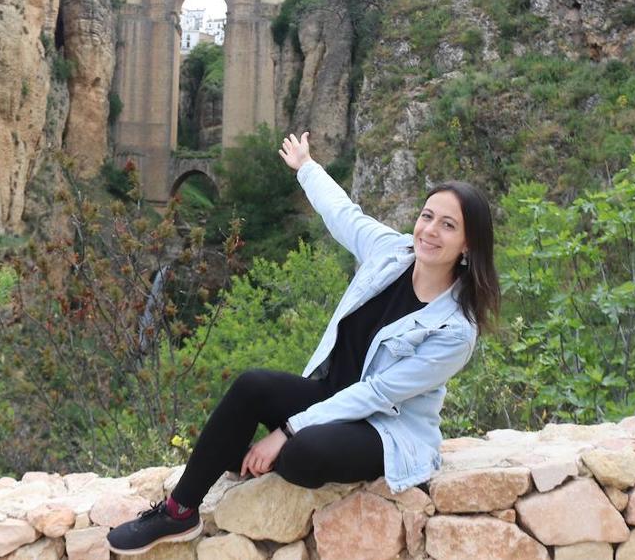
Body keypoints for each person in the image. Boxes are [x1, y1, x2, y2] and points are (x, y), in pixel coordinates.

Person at [107, 131, 500, 554]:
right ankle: (178, 511)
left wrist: (288, 430)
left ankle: (262, 452)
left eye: (448, 225)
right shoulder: (392, 252)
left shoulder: (456, 329)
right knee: (252, 385)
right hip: (331, 397)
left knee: (300, 455)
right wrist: (306, 166)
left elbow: (377, 393)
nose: (430, 231)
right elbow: (344, 214)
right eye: (427, 216)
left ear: (467, 244)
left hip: (383, 428)